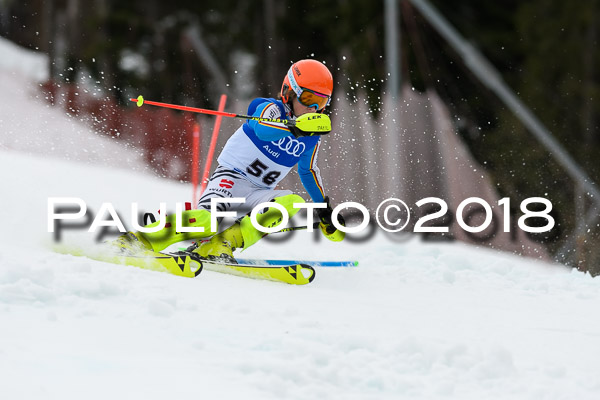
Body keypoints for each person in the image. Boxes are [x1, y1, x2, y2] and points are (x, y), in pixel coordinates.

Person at [117, 59, 344, 261]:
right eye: (308, 98)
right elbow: (262, 129)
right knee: (206, 222)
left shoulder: (311, 137)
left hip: (259, 192)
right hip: (231, 180)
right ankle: (140, 239)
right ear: (289, 91)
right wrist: (292, 129)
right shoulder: (268, 108)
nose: (313, 108)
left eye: (321, 103)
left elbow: (307, 172)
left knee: (292, 202)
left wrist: (324, 210)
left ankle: (221, 245)